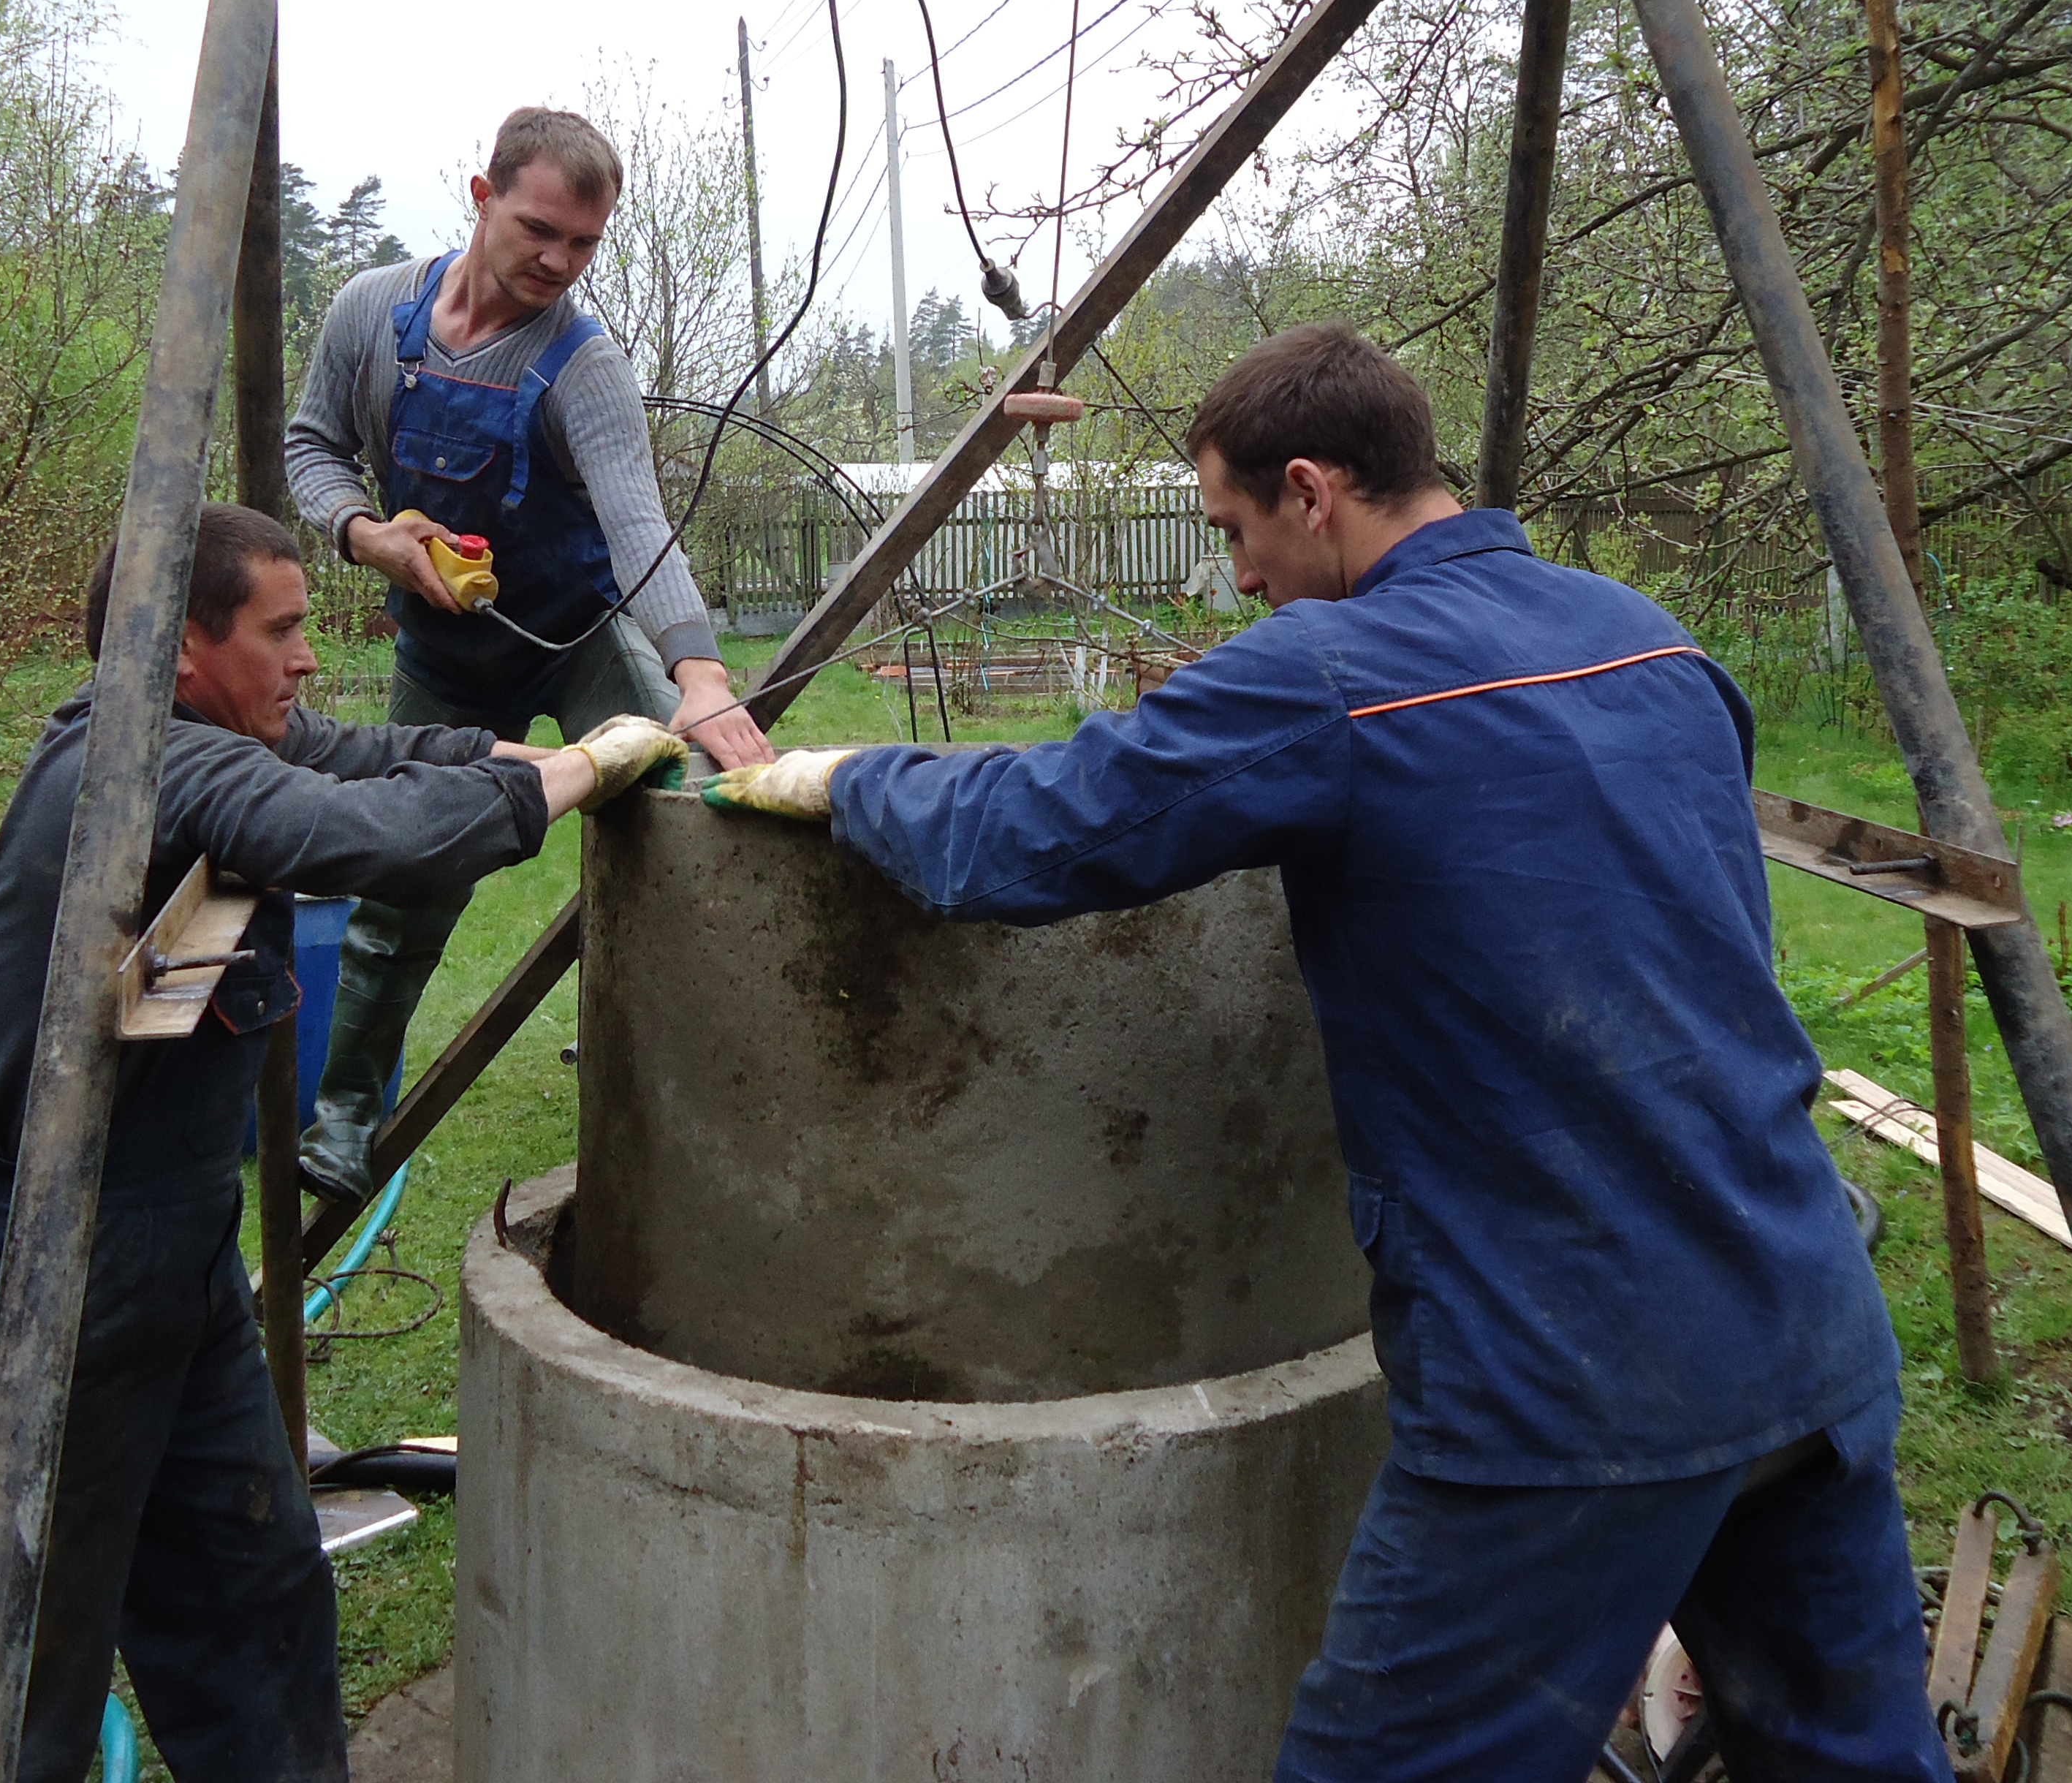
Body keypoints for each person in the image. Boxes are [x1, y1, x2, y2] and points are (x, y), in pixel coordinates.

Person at [703, 325, 1945, 1783]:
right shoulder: (1655, 640)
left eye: (1235, 529)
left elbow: (1036, 830)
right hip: (1808, 1324)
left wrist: (852, 776)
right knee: (1854, 1763)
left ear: (1312, 490)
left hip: (1569, 1380)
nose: (1235, 576)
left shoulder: (1333, 674)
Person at [0, 504, 680, 1783]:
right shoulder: (139, 771)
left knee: (255, 1610)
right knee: (5, 1695)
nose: (308, 658)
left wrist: (521, 747)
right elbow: (377, 840)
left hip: (175, 1284)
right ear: (180, 648)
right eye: (283, 629)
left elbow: (372, 758)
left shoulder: (227, 738)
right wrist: (585, 773)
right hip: (42, 1289)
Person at [284, 105, 774, 1202]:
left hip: (580, 640)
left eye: (583, 244)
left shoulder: (582, 366)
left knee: (685, 811)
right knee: (407, 875)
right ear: (481, 196)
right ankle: (346, 1116)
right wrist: (368, 536)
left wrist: (697, 676)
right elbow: (310, 446)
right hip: (443, 659)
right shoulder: (373, 315)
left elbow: (640, 524)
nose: (558, 262)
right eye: (539, 230)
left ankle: (690, 1076)